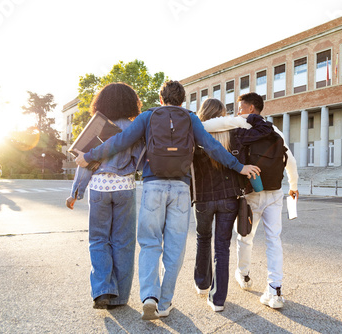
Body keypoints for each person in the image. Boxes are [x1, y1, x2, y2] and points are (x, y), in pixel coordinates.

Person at [74, 80, 260, 320]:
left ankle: (149, 295)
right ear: (183, 100)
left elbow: (119, 142)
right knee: (175, 247)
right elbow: (212, 146)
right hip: (180, 189)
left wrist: (88, 156)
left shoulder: (148, 117)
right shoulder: (191, 118)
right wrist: (239, 166)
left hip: (153, 185)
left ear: (161, 99)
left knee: (150, 244)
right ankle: (164, 303)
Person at [202, 92, 299, 309]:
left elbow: (207, 126)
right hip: (275, 192)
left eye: (240, 107)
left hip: (251, 192)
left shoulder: (243, 123)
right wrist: (294, 186)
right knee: (274, 240)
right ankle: (275, 290)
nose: (237, 112)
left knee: (245, 236)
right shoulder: (274, 130)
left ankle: (244, 275)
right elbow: (289, 160)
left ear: (251, 109)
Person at [66, 82, 145, 309]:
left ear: (101, 102)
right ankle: (119, 297)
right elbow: (141, 159)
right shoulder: (134, 128)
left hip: (99, 188)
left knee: (99, 239)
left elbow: (84, 162)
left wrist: (76, 193)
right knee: (124, 242)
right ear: (131, 102)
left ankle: (102, 290)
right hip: (125, 188)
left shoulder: (96, 127)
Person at [193, 98, 272, 312]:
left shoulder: (196, 134)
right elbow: (266, 128)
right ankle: (218, 299)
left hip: (202, 197)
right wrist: (248, 116)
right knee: (222, 247)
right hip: (229, 198)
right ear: (222, 116)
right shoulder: (236, 133)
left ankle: (202, 284)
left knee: (203, 239)